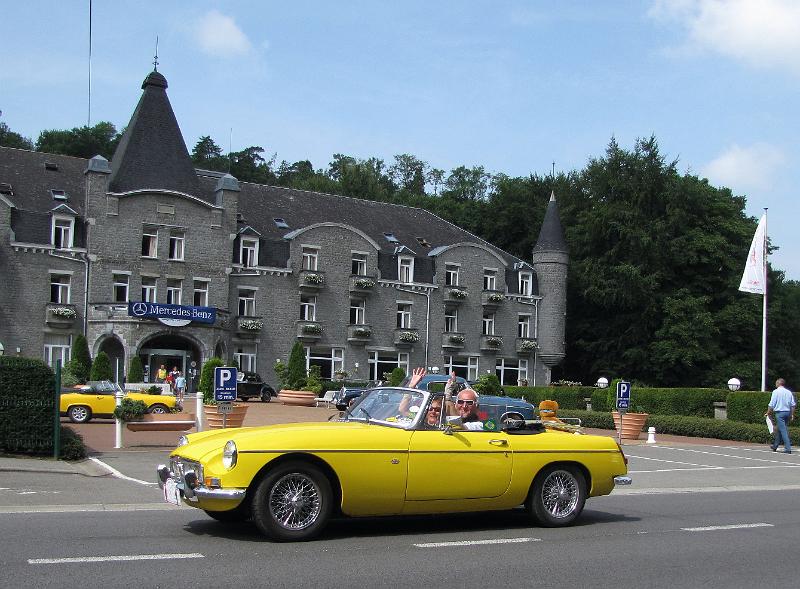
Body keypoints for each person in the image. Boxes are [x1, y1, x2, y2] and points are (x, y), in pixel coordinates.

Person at [767, 378, 796, 454]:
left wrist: (768, 412)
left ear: (778, 383)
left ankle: (788, 448)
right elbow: (793, 405)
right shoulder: (789, 392)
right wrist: (792, 414)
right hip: (787, 412)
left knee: (783, 430)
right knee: (780, 429)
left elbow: (771, 404)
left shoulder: (776, 392)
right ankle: (775, 446)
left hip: (779, 413)